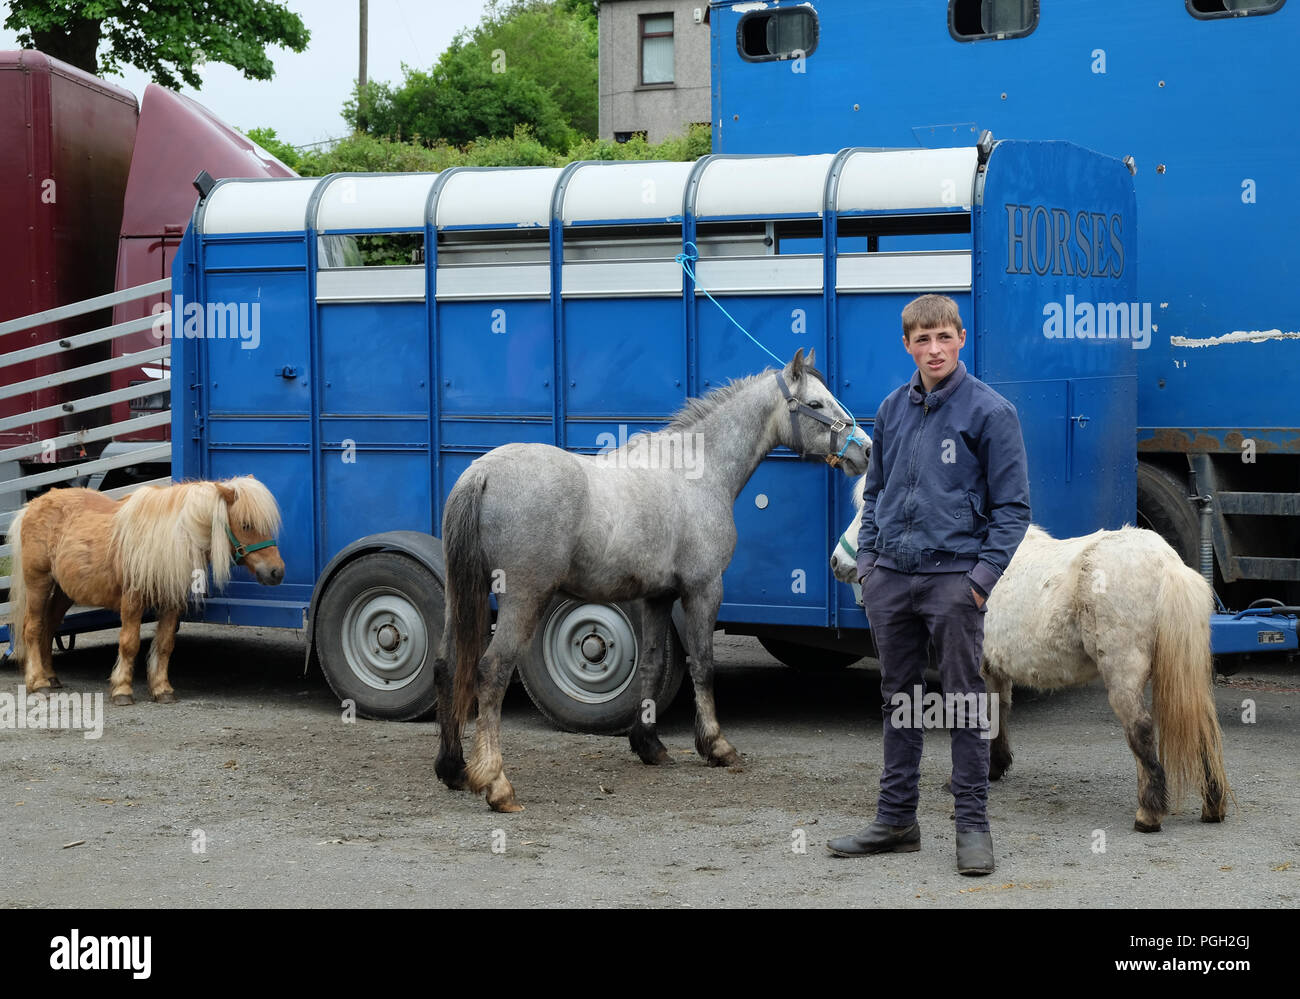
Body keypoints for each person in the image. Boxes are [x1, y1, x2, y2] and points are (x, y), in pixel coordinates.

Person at [827, 294, 1030, 876]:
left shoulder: (991, 413)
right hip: (891, 579)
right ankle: (897, 821)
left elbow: (1013, 509)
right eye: (922, 340)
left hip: (954, 581)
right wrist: (869, 561)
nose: (934, 349)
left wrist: (979, 580)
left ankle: (972, 829)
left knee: (966, 705)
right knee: (900, 700)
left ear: (961, 338)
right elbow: (876, 492)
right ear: (907, 345)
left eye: (943, 337)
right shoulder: (891, 409)